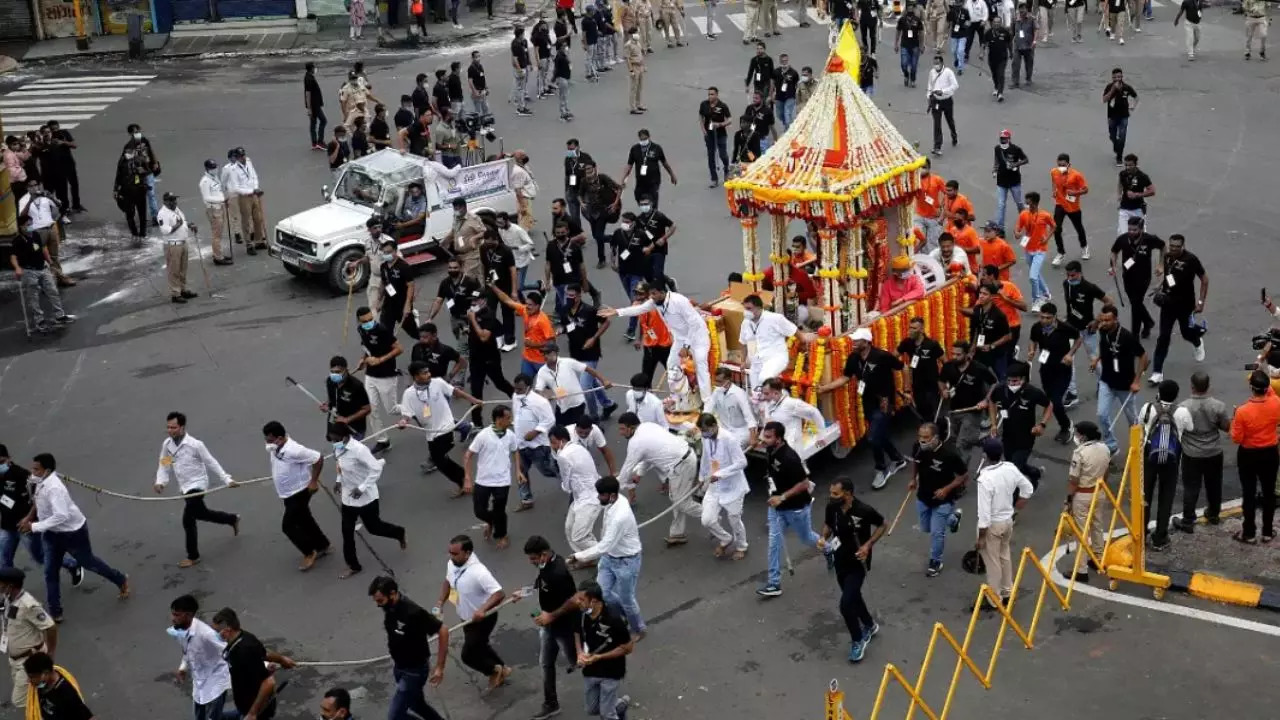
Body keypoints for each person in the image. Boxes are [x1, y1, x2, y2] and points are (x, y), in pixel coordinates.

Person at [22, 453, 129, 622]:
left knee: (89, 562)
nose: (32, 471)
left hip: (72, 533)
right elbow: (38, 501)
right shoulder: (41, 482)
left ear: (47, 470)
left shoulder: (54, 488)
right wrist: (30, 518)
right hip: (51, 534)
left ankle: (120, 579)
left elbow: (61, 515)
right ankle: (55, 611)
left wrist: (34, 526)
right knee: (50, 571)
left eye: (36, 469)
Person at [606, 276, 712, 408]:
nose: (651, 297)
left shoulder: (679, 301)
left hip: (698, 337)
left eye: (654, 293)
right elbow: (638, 309)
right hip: (680, 338)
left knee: (701, 367)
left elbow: (693, 324)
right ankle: (675, 397)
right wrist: (616, 312)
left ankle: (708, 402)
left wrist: (686, 346)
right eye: (650, 294)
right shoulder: (654, 301)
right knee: (671, 365)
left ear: (662, 292)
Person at [820, 328, 907, 488]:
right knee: (878, 434)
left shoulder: (882, 356)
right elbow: (846, 377)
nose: (853, 343)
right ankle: (897, 459)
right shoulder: (854, 357)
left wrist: (906, 390)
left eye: (857, 341)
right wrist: (825, 388)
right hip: (867, 402)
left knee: (873, 437)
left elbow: (903, 367)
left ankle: (881, 469)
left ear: (866, 342)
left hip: (884, 402)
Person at [153, 412, 239, 568]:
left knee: (188, 519)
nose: (170, 430)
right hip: (184, 486)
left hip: (197, 485)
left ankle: (193, 556)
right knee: (201, 513)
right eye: (168, 427)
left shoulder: (195, 445)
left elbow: (211, 462)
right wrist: (160, 482)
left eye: (174, 427)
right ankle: (231, 519)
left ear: (182, 427)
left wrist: (227, 479)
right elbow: (165, 464)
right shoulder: (168, 445)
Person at [818, 477, 885, 662]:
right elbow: (829, 525)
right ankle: (870, 625)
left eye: (836, 494)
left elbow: (882, 524)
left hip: (858, 563)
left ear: (848, 494)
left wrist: (868, 545)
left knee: (846, 604)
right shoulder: (832, 507)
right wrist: (823, 538)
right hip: (840, 559)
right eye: (831, 493)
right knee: (853, 596)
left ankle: (857, 640)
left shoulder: (863, 510)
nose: (831, 497)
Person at [568, 476, 645, 637]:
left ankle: (638, 629)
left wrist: (579, 556)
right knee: (602, 594)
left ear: (611, 495)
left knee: (627, 599)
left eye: (601, 495)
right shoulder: (614, 501)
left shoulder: (620, 516)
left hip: (626, 561)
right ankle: (623, 617)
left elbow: (604, 546)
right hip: (610, 558)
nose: (598, 497)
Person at [328, 423, 406, 578]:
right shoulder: (338, 448)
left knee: (374, 527)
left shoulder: (359, 450)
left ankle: (399, 532)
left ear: (344, 436)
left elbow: (376, 468)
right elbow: (340, 466)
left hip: (366, 498)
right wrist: (338, 480)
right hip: (348, 498)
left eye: (334, 438)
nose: (333, 442)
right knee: (347, 532)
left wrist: (362, 488)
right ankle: (353, 565)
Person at [436, 535, 511, 689]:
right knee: (480, 645)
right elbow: (448, 581)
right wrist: (440, 602)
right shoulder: (452, 563)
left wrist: (482, 610)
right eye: (450, 552)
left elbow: (499, 593)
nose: (451, 556)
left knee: (468, 655)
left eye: (455, 553)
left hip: (482, 618)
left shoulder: (479, 572)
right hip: (465, 617)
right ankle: (503, 668)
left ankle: (493, 671)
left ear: (467, 553)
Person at [368, 576, 449, 720]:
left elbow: (443, 630)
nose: (378, 605)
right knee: (417, 704)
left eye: (380, 600)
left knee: (395, 717)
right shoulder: (390, 607)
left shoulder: (413, 612)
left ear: (392, 593)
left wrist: (439, 667)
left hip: (414, 672)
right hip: (399, 667)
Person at [756, 421, 820, 597]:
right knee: (774, 544)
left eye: (768, 437)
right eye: (764, 435)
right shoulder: (770, 449)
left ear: (779, 438)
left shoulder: (790, 458)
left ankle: (828, 548)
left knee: (807, 538)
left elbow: (804, 483)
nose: (764, 440)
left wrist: (782, 497)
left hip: (796, 507)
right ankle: (774, 583)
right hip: (776, 508)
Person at [617, 413, 701, 544]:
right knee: (676, 499)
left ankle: (711, 517)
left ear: (631, 427)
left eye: (622, 429)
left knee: (681, 502)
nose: (620, 433)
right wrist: (639, 473)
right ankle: (677, 534)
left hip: (681, 465)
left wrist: (613, 486)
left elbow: (626, 471)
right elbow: (649, 456)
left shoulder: (635, 443)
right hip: (684, 459)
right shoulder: (647, 426)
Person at [398, 361, 479, 492]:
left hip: (446, 428)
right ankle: (464, 481)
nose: (429, 374)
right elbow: (406, 414)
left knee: (439, 460)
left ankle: (465, 480)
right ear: (415, 376)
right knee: (440, 460)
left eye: (428, 371)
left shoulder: (438, 383)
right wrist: (403, 422)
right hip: (431, 433)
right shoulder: (409, 394)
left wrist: (473, 400)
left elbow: (456, 392)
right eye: (424, 373)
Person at [526, 536, 582, 720]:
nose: (532, 562)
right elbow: (542, 582)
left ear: (543, 554)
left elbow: (573, 602)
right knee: (546, 663)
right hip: (549, 626)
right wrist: (526, 591)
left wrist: (551, 615)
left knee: (579, 661)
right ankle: (551, 703)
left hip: (564, 626)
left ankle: (608, 687)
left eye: (533, 558)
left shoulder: (558, 572)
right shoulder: (547, 565)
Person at [262, 421, 330, 571]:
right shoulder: (277, 448)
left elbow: (318, 458)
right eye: (266, 439)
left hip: (299, 492)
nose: (267, 443)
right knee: (305, 518)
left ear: (280, 438)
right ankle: (322, 544)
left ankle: (308, 551)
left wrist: (313, 481)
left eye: (270, 440)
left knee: (288, 526)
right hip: (287, 493)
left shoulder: (295, 450)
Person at [974, 438, 1033, 607]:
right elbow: (1027, 488)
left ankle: (994, 599)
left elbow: (984, 514)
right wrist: (1020, 502)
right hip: (1008, 521)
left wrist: (981, 537)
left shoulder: (985, 479)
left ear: (985, 455)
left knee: (992, 563)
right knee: (1004, 556)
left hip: (992, 525)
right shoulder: (1010, 468)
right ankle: (1008, 590)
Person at [1137, 379, 1192, 551]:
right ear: (1176, 395)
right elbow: (1190, 428)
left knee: (1144, 495)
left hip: (1149, 456)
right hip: (1172, 458)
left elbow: (1140, 426)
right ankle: (1160, 537)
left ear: (1159, 393)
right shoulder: (1182, 411)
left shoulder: (1147, 408)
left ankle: (1141, 532)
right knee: (1166, 496)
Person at [1174, 372, 1231, 532]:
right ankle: (1213, 514)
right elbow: (1226, 427)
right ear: (1208, 386)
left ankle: (1188, 520)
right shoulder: (1218, 406)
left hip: (1192, 453)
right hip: (1213, 452)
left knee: (1191, 487)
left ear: (1192, 386)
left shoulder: (1183, 407)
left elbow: (1179, 430)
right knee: (1214, 485)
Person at [1147, 234, 1207, 385]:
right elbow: (1169, 275)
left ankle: (1197, 339)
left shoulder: (1191, 260)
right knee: (1163, 337)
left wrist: (1200, 302)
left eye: (1177, 247)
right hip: (1168, 303)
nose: (1173, 249)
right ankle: (1157, 372)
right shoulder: (1167, 257)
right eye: (1171, 246)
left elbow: (1204, 279)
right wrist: (1159, 285)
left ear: (1183, 246)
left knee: (1186, 332)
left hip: (1185, 304)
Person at [573, 579, 634, 720]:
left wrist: (600, 657)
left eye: (582, 600)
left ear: (593, 601)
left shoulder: (613, 619)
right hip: (590, 670)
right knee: (592, 709)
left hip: (611, 672)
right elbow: (576, 632)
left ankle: (613, 710)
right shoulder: (581, 615)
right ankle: (620, 706)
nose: (578, 602)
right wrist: (579, 653)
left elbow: (628, 647)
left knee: (606, 714)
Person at [1231, 371, 1280, 544]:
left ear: (1251, 388)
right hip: (1270, 452)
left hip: (1249, 455)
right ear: (1267, 387)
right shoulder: (1276, 403)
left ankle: (1249, 533)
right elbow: (1270, 392)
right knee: (1269, 493)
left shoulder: (1243, 412)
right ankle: (1267, 531)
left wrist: (1234, 418)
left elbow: (1236, 438)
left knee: (1249, 493)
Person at [988, 361, 1053, 488]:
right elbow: (992, 401)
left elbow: (1049, 405)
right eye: (1009, 381)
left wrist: (1042, 425)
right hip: (1008, 435)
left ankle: (1024, 489)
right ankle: (1034, 473)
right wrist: (994, 424)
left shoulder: (1032, 392)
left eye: (1015, 381)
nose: (1012, 384)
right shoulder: (1001, 389)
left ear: (1023, 379)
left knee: (1013, 468)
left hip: (1026, 437)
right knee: (1011, 463)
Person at [0, 568, 58, 710]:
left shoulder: (28, 605)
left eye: (1, 583)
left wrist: (50, 653)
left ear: (10, 585)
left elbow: (50, 627)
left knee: (19, 700)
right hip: (15, 660)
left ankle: (50, 709)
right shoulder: (9, 599)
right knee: (31, 692)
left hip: (29, 660)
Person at [693, 414, 750, 559]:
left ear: (713, 426)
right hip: (714, 485)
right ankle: (725, 538)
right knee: (707, 520)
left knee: (734, 519)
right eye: (702, 431)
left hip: (732, 486)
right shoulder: (706, 438)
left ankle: (741, 546)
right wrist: (701, 478)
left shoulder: (729, 439)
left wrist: (721, 474)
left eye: (705, 430)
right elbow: (706, 458)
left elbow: (742, 462)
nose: (704, 434)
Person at [464, 405, 522, 547]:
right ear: (499, 419)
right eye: (508, 418)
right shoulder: (484, 435)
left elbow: (515, 451)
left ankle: (501, 535)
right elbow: (468, 455)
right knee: (479, 511)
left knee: (500, 510)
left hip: (502, 481)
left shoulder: (510, 435)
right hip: (483, 480)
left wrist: (518, 471)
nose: (511, 420)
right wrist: (467, 478)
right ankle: (492, 521)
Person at [167, 594, 231, 720]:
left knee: (214, 717)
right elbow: (187, 651)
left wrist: (262, 666)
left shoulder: (206, 634)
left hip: (216, 683)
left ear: (189, 615)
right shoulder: (181, 631)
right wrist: (183, 668)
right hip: (200, 682)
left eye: (177, 615)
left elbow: (229, 652)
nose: (172, 618)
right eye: (173, 614)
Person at [1093, 305, 1146, 453]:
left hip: (1125, 385)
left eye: (1108, 320)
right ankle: (1111, 445)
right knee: (1102, 415)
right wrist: (1097, 359)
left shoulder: (1126, 336)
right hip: (1107, 381)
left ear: (1116, 319)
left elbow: (1143, 356)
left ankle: (1139, 444)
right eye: (1102, 320)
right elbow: (1104, 347)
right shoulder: (1102, 331)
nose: (1104, 323)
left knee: (1132, 420)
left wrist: (1136, 381)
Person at [1063, 421, 1109, 582]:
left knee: (1081, 533)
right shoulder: (1105, 448)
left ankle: (1081, 570)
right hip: (1099, 492)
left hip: (1083, 495)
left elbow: (1074, 479)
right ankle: (1099, 559)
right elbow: (1106, 472)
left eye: (1077, 433)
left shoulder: (1080, 453)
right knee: (1097, 525)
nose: (1076, 436)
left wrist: (1068, 499)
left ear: (1083, 435)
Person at [1061, 262, 1112, 406]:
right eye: (1068, 275)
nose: (1070, 278)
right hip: (1071, 330)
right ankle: (1072, 392)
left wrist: (1096, 321)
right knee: (1068, 359)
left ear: (1079, 273)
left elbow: (1109, 302)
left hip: (1087, 330)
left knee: (1095, 359)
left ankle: (1104, 384)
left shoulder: (1089, 287)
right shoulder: (1066, 284)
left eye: (1073, 275)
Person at [8, 221, 74, 334]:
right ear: (21, 227)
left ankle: (59, 315)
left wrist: (49, 261)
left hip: (43, 268)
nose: (29, 227)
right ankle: (39, 320)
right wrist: (17, 268)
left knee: (52, 291)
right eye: (27, 225)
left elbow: (43, 248)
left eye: (30, 224)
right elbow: (13, 257)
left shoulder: (36, 235)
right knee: (33, 296)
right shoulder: (18, 241)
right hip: (30, 271)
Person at [1027, 304, 1079, 443]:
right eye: (1042, 317)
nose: (1044, 320)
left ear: (1055, 317)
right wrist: (1032, 350)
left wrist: (1070, 354)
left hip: (1062, 370)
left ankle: (1066, 426)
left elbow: (1078, 339)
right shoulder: (1037, 327)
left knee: (1055, 401)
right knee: (1051, 402)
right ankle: (1064, 424)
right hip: (1046, 369)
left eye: (1048, 318)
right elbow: (1033, 340)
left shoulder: (1064, 328)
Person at [354, 305, 403, 452]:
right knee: (371, 409)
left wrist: (380, 360)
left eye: (371, 319)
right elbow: (367, 347)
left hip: (386, 374)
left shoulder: (382, 330)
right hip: (371, 375)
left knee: (392, 409)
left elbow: (399, 348)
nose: (369, 323)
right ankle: (382, 440)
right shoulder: (361, 330)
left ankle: (418, 408)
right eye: (365, 321)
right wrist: (363, 360)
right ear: (359, 321)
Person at [549, 427, 603, 555]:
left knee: (579, 536)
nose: (552, 446)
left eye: (553, 442)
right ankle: (585, 557)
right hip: (583, 496)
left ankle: (608, 554)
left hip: (588, 500)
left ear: (562, 440)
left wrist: (564, 485)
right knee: (569, 528)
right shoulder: (579, 447)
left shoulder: (562, 456)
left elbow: (567, 486)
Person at [1110, 216, 1163, 340]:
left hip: (1143, 277)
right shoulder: (1123, 239)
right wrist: (1113, 265)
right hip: (1127, 275)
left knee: (1136, 304)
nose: (1131, 232)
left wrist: (1161, 264)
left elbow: (1163, 247)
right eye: (1129, 229)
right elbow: (1114, 251)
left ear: (1141, 229)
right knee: (1135, 302)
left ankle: (1134, 336)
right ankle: (1148, 321)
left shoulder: (1149, 239)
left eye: (1134, 230)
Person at [739, 294, 797, 390]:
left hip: (774, 359)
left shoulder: (775, 318)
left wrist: (806, 338)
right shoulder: (746, 323)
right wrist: (743, 361)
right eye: (745, 309)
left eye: (749, 308)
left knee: (764, 379)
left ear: (758, 308)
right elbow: (743, 343)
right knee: (756, 393)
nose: (746, 312)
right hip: (756, 364)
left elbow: (794, 331)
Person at [897, 317, 945, 427]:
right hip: (917, 386)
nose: (910, 330)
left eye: (914, 328)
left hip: (932, 385)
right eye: (910, 327)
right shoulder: (907, 343)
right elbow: (893, 356)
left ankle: (938, 432)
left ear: (922, 330)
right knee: (922, 412)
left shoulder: (932, 344)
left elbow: (945, 362)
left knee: (933, 413)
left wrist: (944, 383)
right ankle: (930, 433)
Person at [155, 191, 198, 304]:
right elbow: (165, 231)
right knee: (174, 270)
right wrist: (178, 225)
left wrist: (189, 225)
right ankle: (175, 293)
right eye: (171, 200)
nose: (174, 202)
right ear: (165, 202)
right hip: (173, 245)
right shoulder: (162, 213)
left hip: (183, 243)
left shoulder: (177, 209)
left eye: (175, 199)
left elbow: (182, 221)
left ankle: (183, 289)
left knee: (183, 269)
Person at [21, 653, 92, 719]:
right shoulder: (41, 686)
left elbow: (86, 716)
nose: (29, 681)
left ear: (45, 674)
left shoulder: (67, 694)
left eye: (32, 677)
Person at [1050, 154, 1089, 266]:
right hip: (1060, 204)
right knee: (1056, 228)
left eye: (1063, 165)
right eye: (1059, 165)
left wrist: (1075, 193)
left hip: (1073, 206)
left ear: (1068, 164)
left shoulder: (1076, 175)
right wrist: (1054, 190)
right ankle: (1060, 252)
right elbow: (1053, 181)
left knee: (1078, 228)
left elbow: (1086, 190)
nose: (1060, 167)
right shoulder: (1054, 172)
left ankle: (1084, 246)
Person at [225, 147, 266, 253]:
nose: (243, 158)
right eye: (240, 156)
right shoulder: (233, 169)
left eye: (243, 155)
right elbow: (236, 187)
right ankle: (249, 244)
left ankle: (259, 241)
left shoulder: (249, 162)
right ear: (237, 158)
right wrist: (251, 191)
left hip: (254, 194)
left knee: (258, 218)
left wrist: (256, 187)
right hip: (244, 197)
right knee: (246, 220)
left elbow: (254, 176)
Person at [705, 367, 758, 448]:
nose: (717, 384)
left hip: (741, 432)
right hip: (724, 430)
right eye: (716, 381)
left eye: (720, 382)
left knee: (730, 449)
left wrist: (753, 437)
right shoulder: (717, 392)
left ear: (728, 380)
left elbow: (750, 418)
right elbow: (708, 409)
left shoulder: (739, 394)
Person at [113, 143, 149, 242]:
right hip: (127, 192)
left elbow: (149, 171)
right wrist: (115, 189)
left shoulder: (141, 160)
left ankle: (143, 234)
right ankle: (134, 233)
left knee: (142, 214)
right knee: (129, 214)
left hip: (140, 190)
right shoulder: (122, 161)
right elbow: (118, 176)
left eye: (130, 151)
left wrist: (143, 171)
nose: (127, 153)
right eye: (126, 152)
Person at [198, 159, 232, 266]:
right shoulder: (204, 182)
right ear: (207, 169)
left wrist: (223, 200)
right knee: (216, 234)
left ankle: (218, 253)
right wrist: (221, 200)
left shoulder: (214, 178)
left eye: (215, 167)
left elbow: (218, 191)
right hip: (213, 209)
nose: (215, 169)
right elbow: (207, 198)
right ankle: (218, 257)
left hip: (220, 207)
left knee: (220, 232)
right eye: (212, 168)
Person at [1103, 71, 1139, 167]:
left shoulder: (1126, 87)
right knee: (1112, 136)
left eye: (1119, 77)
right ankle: (1115, 145)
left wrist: (1133, 106)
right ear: (1112, 77)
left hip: (1124, 116)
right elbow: (1104, 100)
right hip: (1112, 117)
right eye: (1115, 77)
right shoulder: (1109, 87)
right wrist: (1112, 90)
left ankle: (1119, 157)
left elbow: (1136, 97)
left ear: (1122, 77)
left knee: (1122, 137)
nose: (1117, 79)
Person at [700, 87, 733, 187]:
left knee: (723, 155)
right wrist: (704, 131)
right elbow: (701, 118)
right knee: (711, 156)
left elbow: (730, 119)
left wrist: (720, 124)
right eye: (709, 94)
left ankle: (726, 169)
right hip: (709, 134)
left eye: (712, 94)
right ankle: (714, 178)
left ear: (717, 95)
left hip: (720, 134)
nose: (710, 96)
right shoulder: (704, 104)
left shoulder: (722, 106)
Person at [926, 55, 959, 156]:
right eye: (934, 63)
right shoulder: (932, 72)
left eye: (938, 63)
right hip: (936, 101)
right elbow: (930, 86)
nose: (936, 65)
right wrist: (928, 97)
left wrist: (943, 91)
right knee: (937, 124)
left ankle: (954, 135)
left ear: (942, 63)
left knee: (950, 120)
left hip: (947, 100)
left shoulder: (948, 72)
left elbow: (955, 85)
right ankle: (937, 146)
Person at [985, 15, 1011, 102]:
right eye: (995, 22)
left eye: (998, 22)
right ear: (992, 23)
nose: (996, 24)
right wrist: (981, 53)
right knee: (994, 74)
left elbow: (1009, 43)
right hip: (992, 58)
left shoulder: (1005, 32)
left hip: (1002, 58)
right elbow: (984, 43)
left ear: (1001, 23)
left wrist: (1011, 52)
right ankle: (996, 86)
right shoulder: (988, 32)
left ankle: (1000, 93)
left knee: (1001, 75)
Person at [897, 6, 924, 87]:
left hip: (915, 45)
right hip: (904, 45)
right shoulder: (902, 20)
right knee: (903, 64)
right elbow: (898, 31)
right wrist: (896, 43)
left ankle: (912, 80)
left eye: (912, 8)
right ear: (905, 10)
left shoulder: (917, 20)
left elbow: (921, 33)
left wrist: (921, 45)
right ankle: (906, 75)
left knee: (914, 65)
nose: (910, 10)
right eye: (908, 8)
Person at [624, 27, 647, 115]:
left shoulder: (638, 43)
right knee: (634, 88)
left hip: (640, 66)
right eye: (636, 33)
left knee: (640, 87)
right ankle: (633, 107)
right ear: (631, 34)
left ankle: (639, 104)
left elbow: (640, 54)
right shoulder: (628, 45)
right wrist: (631, 70)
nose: (638, 34)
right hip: (634, 67)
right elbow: (628, 58)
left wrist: (644, 66)